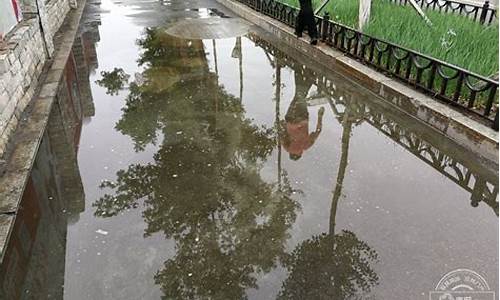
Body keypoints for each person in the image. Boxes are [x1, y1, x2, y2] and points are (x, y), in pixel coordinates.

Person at [281, 69, 325, 161]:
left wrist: (320, 115)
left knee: (300, 95)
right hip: (291, 118)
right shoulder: (287, 147)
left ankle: (310, 74)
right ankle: (301, 71)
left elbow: (318, 130)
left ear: (300, 154)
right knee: (299, 95)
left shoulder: (305, 146)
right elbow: (281, 133)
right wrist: (285, 125)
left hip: (302, 117)